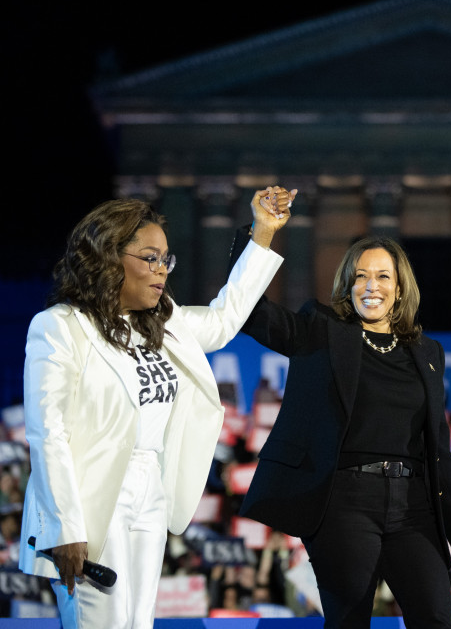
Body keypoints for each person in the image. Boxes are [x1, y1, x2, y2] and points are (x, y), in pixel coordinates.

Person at [19, 187, 294, 629]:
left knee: (138, 623)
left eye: (166, 259)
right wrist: (64, 527)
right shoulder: (59, 327)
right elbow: (47, 432)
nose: (162, 270)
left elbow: (226, 318)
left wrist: (262, 234)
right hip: (90, 498)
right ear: (107, 257)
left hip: (151, 491)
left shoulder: (165, 324)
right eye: (150, 257)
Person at [233, 223, 451, 628]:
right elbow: (250, 312)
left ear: (400, 288)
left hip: (414, 506)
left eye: (383, 276)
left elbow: (439, 451)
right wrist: (261, 234)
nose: (371, 285)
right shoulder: (321, 330)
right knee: (350, 620)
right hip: (343, 502)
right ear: (347, 286)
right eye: (360, 276)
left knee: (438, 619)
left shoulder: (427, 353)